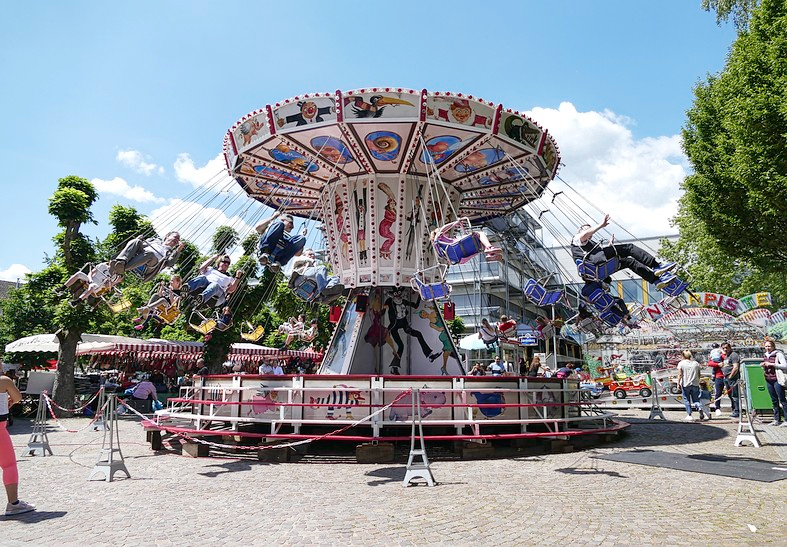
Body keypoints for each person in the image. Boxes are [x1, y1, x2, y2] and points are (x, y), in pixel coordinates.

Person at [571, 214, 677, 289]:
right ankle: (656, 266)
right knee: (629, 248)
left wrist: (610, 246)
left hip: (598, 269)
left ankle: (655, 280)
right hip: (597, 263)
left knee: (629, 262)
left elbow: (596, 252)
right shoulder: (576, 238)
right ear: (579, 231)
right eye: (587, 230)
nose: (590, 234)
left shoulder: (587, 244)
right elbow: (584, 236)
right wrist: (600, 225)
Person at [1, 373, 35, 516]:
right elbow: (18, 398)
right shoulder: (4, 381)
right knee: (9, 465)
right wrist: (10, 401)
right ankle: (13, 503)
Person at [110, 231, 184, 281]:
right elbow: (139, 244)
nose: (176, 240)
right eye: (175, 237)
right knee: (136, 241)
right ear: (167, 236)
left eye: (178, 240)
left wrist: (178, 250)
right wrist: (138, 239)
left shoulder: (170, 253)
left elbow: (170, 263)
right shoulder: (154, 240)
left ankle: (122, 268)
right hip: (141, 255)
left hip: (151, 265)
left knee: (150, 254)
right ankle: (121, 262)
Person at [431, 220, 501, 263]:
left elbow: (441, 255)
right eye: (446, 233)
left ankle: (490, 254)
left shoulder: (438, 245)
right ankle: (489, 247)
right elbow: (443, 229)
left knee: (479, 243)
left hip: (458, 257)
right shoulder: (439, 238)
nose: (448, 233)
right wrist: (455, 223)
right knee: (480, 234)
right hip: (457, 248)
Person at [760, 339, 787, 426]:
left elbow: (784, 365)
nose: (767, 348)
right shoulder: (765, 355)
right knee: (774, 400)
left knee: (782, 399)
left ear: (773, 347)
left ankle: (786, 420)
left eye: (769, 346)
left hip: (777, 379)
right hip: (768, 379)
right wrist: (763, 365)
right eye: (766, 346)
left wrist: (772, 364)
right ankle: (776, 419)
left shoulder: (778, 354)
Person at [677, 350, 702, 422]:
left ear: (683, 356)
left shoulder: (681, 363)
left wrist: (678, 383)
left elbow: (680, 374)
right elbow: (699, 374)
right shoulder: (696, 363)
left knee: (686, 399)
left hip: (686, 383)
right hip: (695, 383)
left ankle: (689, 414)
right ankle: (699, 407)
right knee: (696, 399)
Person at [721, 342, 741, 418]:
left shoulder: (734, 355)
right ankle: (734, 409)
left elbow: (735, 367)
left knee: (734, 395)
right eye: (723, 348)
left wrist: (730, 376)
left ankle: (737, 411)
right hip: (726, 378)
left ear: (730, 348)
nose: (725, 349)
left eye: (726, 348)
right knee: (730, 395)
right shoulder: (726, 356)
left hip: (733, 379)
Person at [706, 343, 725, 417]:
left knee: (731, 393)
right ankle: (717, 408)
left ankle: (735, 408)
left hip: (726, 375)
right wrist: (718, 364)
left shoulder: (723, 355)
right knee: (718, 393)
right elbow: (710, 363)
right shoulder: (718, 354)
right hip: (719, 376)